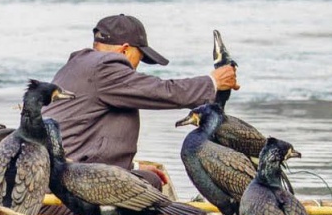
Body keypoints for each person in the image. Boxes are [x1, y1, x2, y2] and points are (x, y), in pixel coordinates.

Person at [42, 13, 239, 184]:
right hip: (67, 189)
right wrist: (213, 82)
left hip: (49, 176)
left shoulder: (76, 67)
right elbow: (163, 92)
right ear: (125, 50)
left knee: (142, 176)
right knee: (151, 184)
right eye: (140, 57)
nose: (137, 67)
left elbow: (80, 134)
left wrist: (132, 166)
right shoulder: (107, 67)